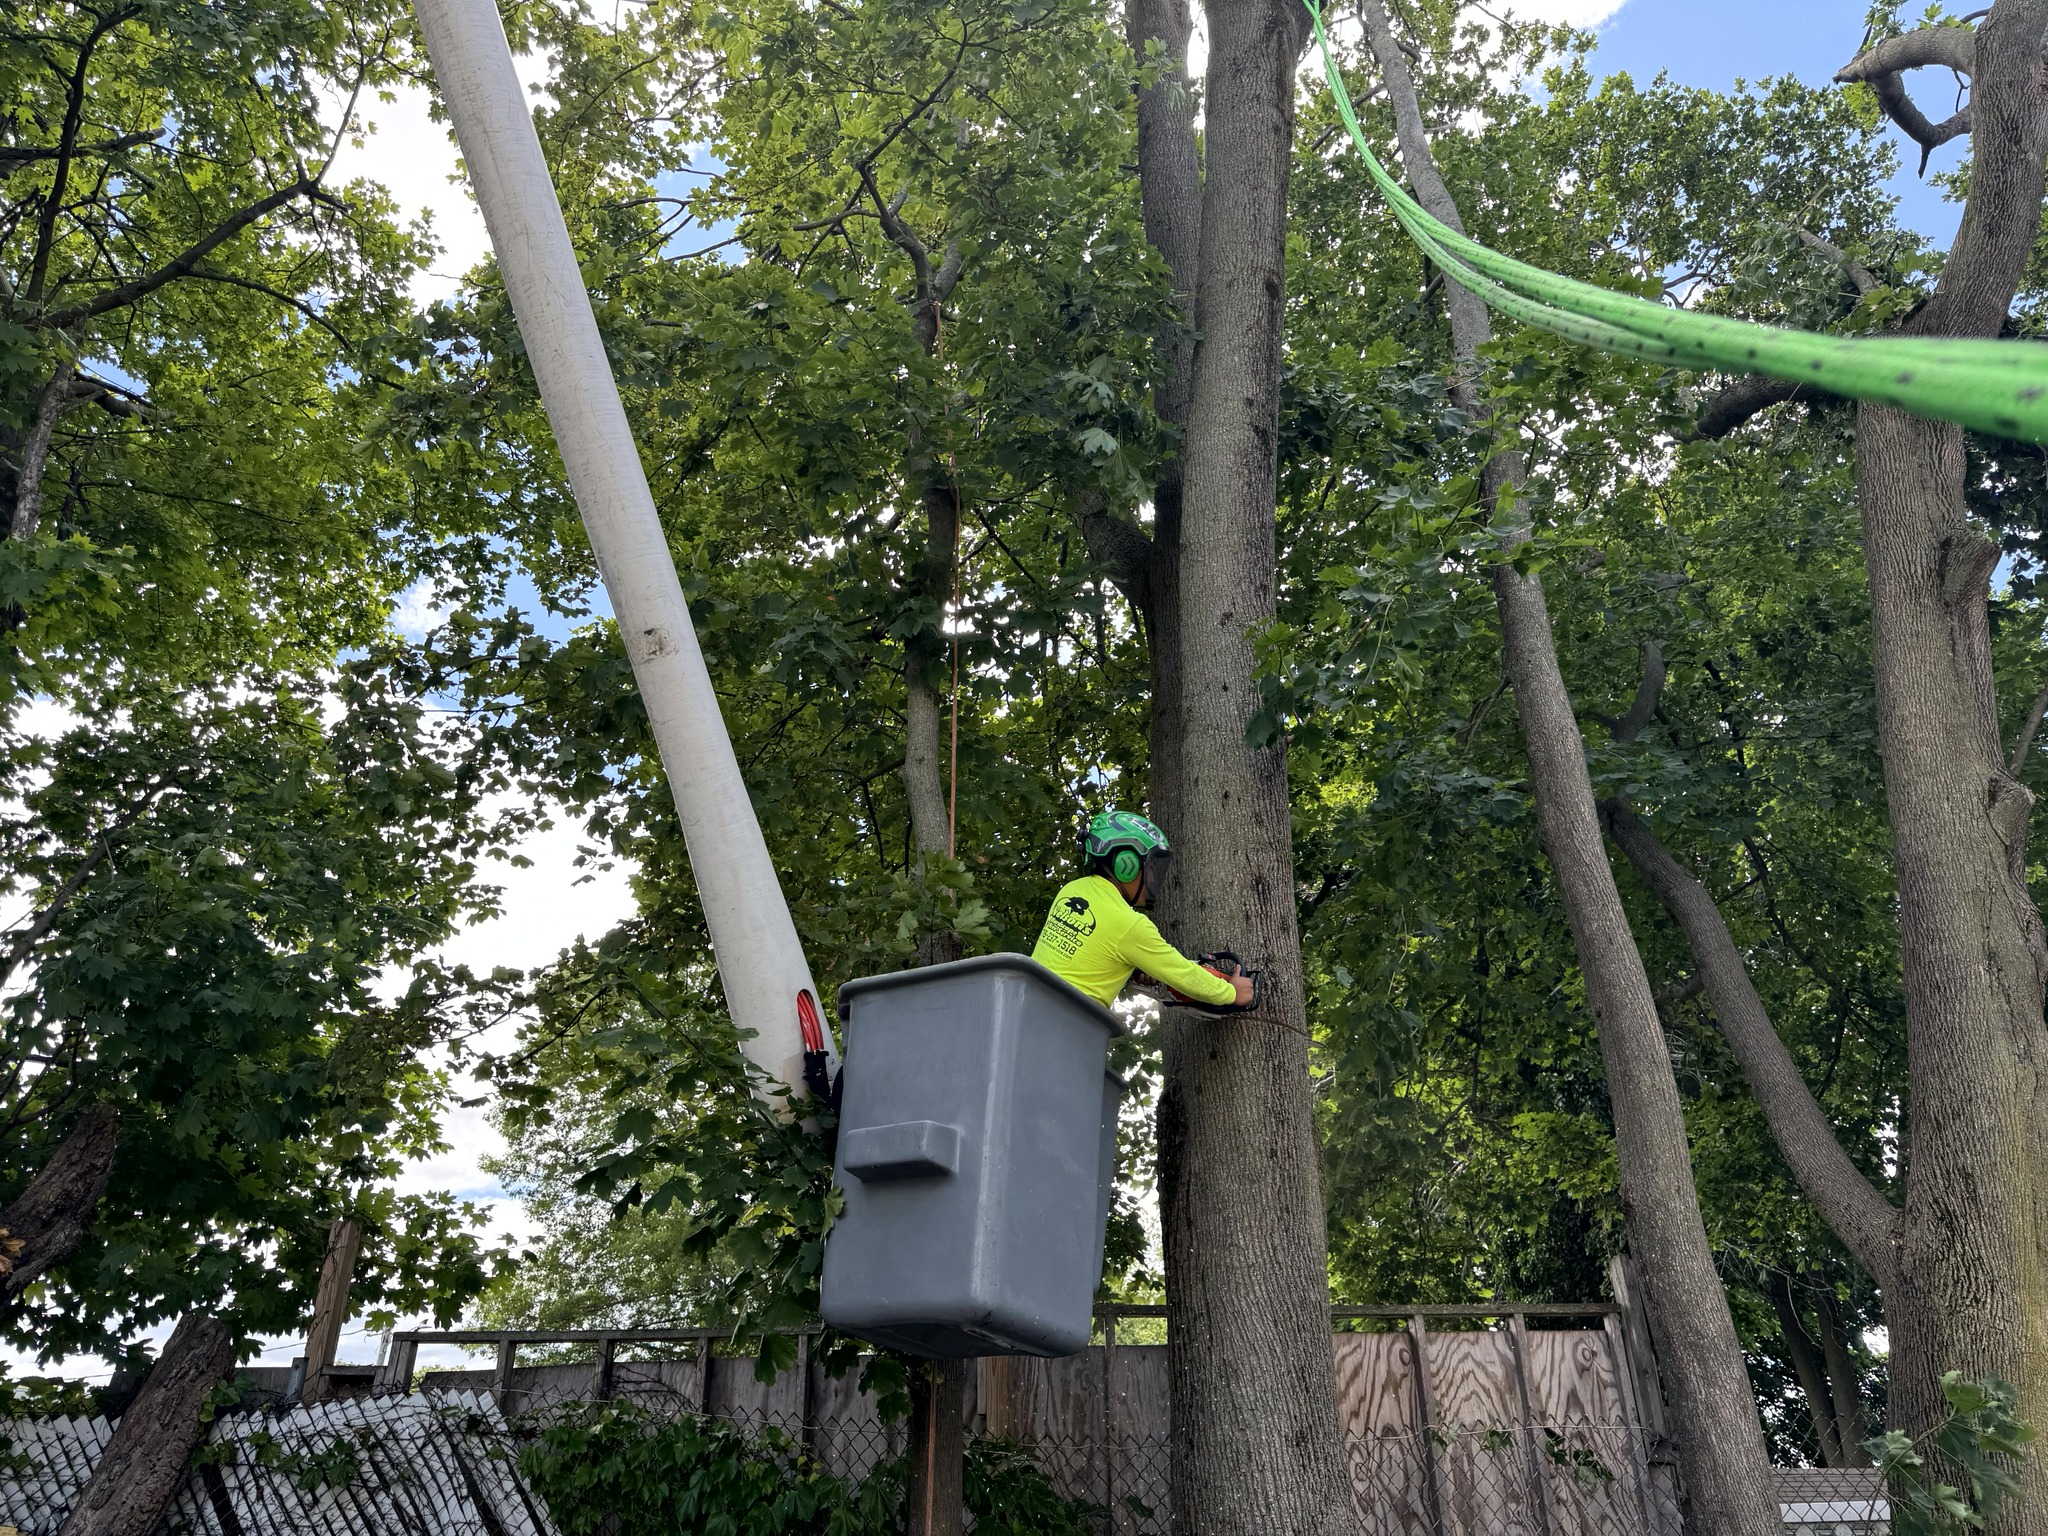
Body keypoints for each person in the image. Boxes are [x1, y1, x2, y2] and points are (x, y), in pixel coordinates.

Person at [1031, 809, 1253, 1011]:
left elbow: (1087, 955)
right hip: (1071, 1025)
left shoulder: (1072, 890)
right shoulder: (1130, 925)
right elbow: (1181, 973)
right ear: (1126, 864)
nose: (1155, 877)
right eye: (1152, 867)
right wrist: (1232, 992)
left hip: (1028, 1009)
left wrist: (1133, 968)